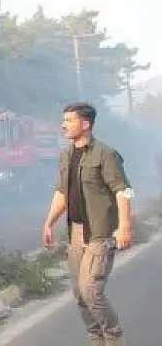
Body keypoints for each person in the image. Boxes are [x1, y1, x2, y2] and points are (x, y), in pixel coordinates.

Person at [41, 102, 134, 346]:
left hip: (100, 232)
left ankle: (114, 337)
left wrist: (124, 226)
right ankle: (95, 338)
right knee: (79, 294)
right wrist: (49, 223)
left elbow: (123, 191)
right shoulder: (66, 156)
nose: (64, 125)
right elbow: (62, 193)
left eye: (69, 121)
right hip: (76, 233)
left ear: (86, 124)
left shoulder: (106, 154)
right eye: (64, 120)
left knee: (91, 289)